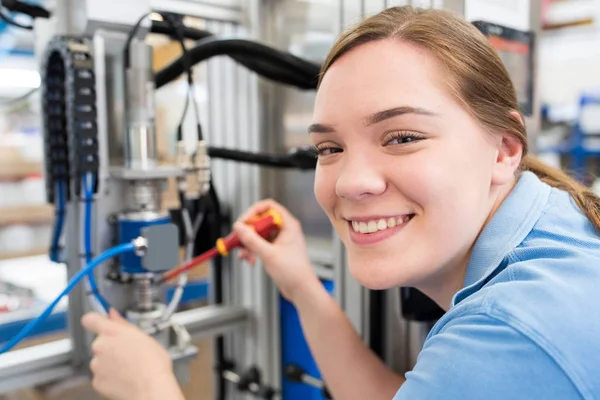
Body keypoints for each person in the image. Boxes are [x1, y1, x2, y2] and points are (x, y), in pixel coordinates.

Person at [81, 5, 600, 400]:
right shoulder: (557, 230)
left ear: (505, 149)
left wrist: (152, 388)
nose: (351, 182)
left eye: (402, 137)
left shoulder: (508, 332)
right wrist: (301, 286)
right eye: (329, 148)